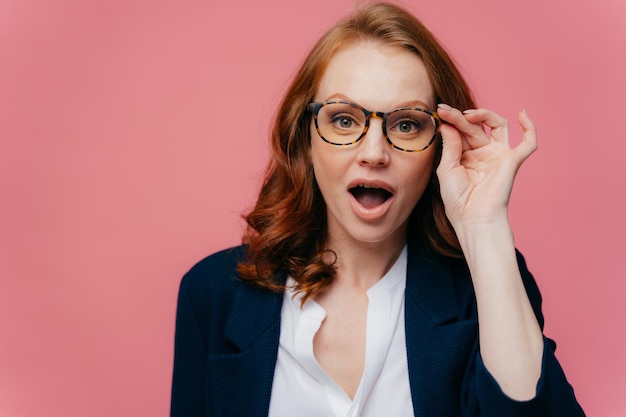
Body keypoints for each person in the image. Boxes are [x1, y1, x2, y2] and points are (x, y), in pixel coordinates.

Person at [170, 2, 585, 416]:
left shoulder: (488, 285)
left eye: (406, 124)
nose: (374, 153)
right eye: (344, 120)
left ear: (443, 146)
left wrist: (484, 224)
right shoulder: (212, 294)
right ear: (305, 139)